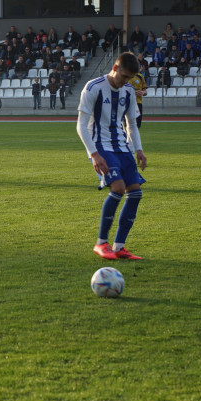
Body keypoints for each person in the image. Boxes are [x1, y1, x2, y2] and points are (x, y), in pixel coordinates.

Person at [77, 52, 147, 261]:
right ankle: (101, 243)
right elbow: (81, 124)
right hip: (100, 146)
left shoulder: (128, 91)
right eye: (124, 76)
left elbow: (131, 124)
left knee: (135, 193)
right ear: (115, 68)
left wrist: (139, 150)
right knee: (117, 187)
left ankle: (119, 247)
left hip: (122, 147)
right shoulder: (93, 87)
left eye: (130, 78)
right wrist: (94, 154)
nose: (126, 81)